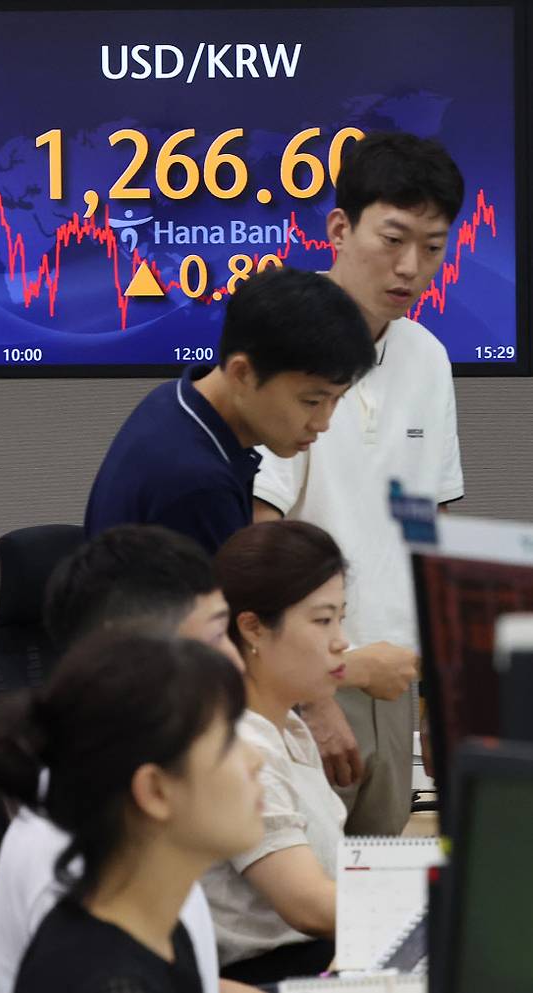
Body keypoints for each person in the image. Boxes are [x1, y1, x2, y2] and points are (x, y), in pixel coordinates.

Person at [253, 131, 465, 835]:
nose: (410, 267)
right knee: (298, 911)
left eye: (433, 248)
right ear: (340, 228)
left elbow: (426, 529)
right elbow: (259, 536)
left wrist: (444, 692)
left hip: (395, 679)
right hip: (308, 682)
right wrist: (312, 697)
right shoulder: (286, 344)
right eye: (394, 238)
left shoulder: (428, 357)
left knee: (375, 912)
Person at [0, 525, 243, 993]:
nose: (238, 663)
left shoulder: (122, 797)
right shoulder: (77, 852)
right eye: (218, 635)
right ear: (132, 651)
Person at [84, 267, 374, 553]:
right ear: (242, 373)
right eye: (311, 401)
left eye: (338, 399)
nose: (323, 423)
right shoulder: (197, 487)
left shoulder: (174, 399)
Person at [203, 520, 349, 985]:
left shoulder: (287, 727)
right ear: (253, 628)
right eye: (323, 620)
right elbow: (307, 905)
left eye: (342, 618)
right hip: (267, 975)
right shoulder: (241, 744)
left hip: (322, 958)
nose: (340, 640)